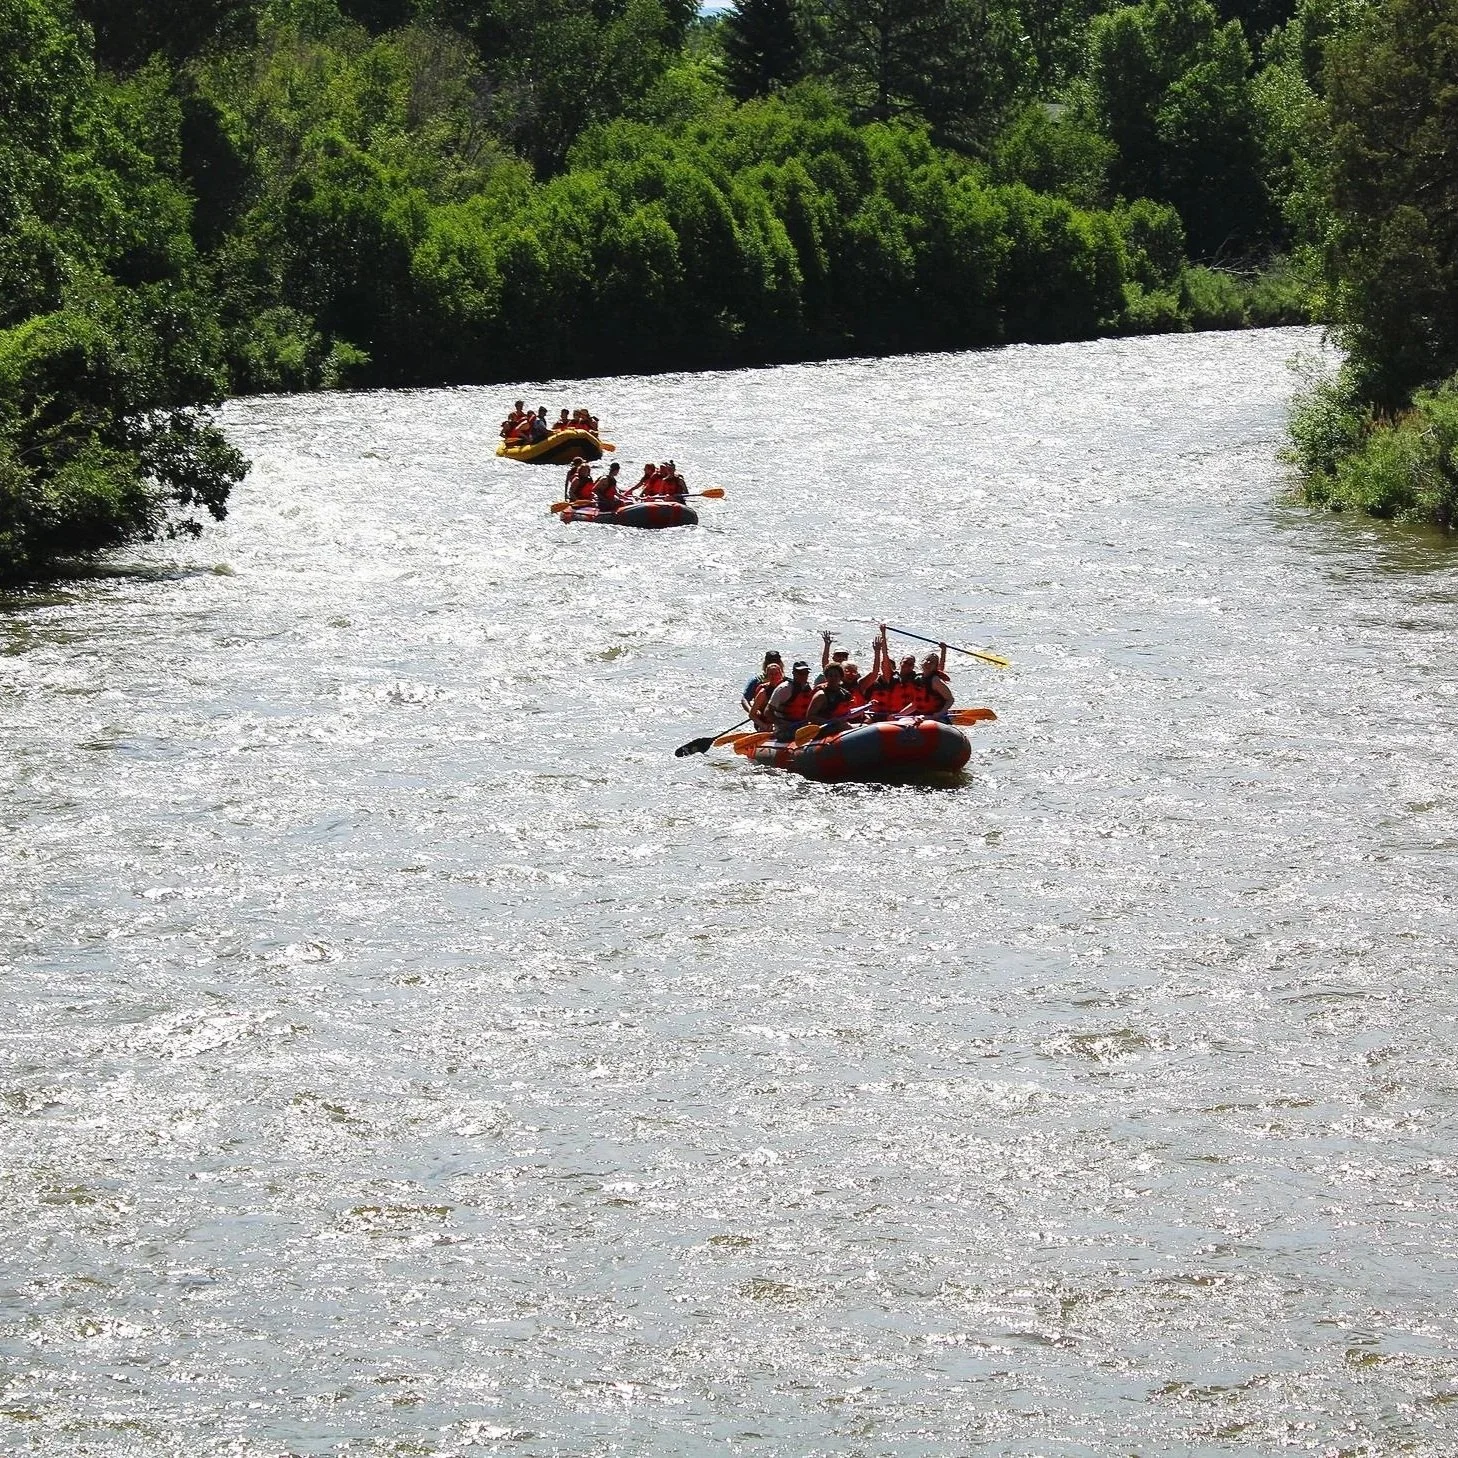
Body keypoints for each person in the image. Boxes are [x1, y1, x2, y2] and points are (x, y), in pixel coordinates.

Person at [899, 647, 954, 718]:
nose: (928, 663)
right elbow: (915, 704)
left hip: (936, 716)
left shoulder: (935, 681)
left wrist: (940, 713)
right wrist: (900, 714)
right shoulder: (918, 679)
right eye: (927, 660)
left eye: (932, 662)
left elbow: (950, 699)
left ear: (935, 667)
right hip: (923, 716)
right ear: (922, 662)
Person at [768, 660, 815, 738]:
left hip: (802, 727)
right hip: (785, 729)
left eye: (806, 673)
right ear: (794, 673)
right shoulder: (784, 689)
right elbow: (768, 712)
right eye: (800, 673)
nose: (803, 676)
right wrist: (780, 724)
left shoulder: (808, 689)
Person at [806, 661, 856, 726]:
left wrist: (868, 706)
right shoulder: (821, 695)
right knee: (846, 726)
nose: (833, 678)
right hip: (824, 727)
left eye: (836, 676)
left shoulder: (845, 694)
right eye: (830, 675)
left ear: (841, 677)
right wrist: (828, 722)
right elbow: (810, 716)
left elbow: (848, 712)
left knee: (864, 726)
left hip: (839, 725)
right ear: (826, 677)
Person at [748, 661, 784, 731]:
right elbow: (751, 715)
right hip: (766, 726)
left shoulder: (786, 688)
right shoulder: (763, 692)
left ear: (781, 674)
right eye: (771, 674)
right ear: (767, 676)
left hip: (782, 724)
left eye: (776, 674)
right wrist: (763, 725)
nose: (774, 676)